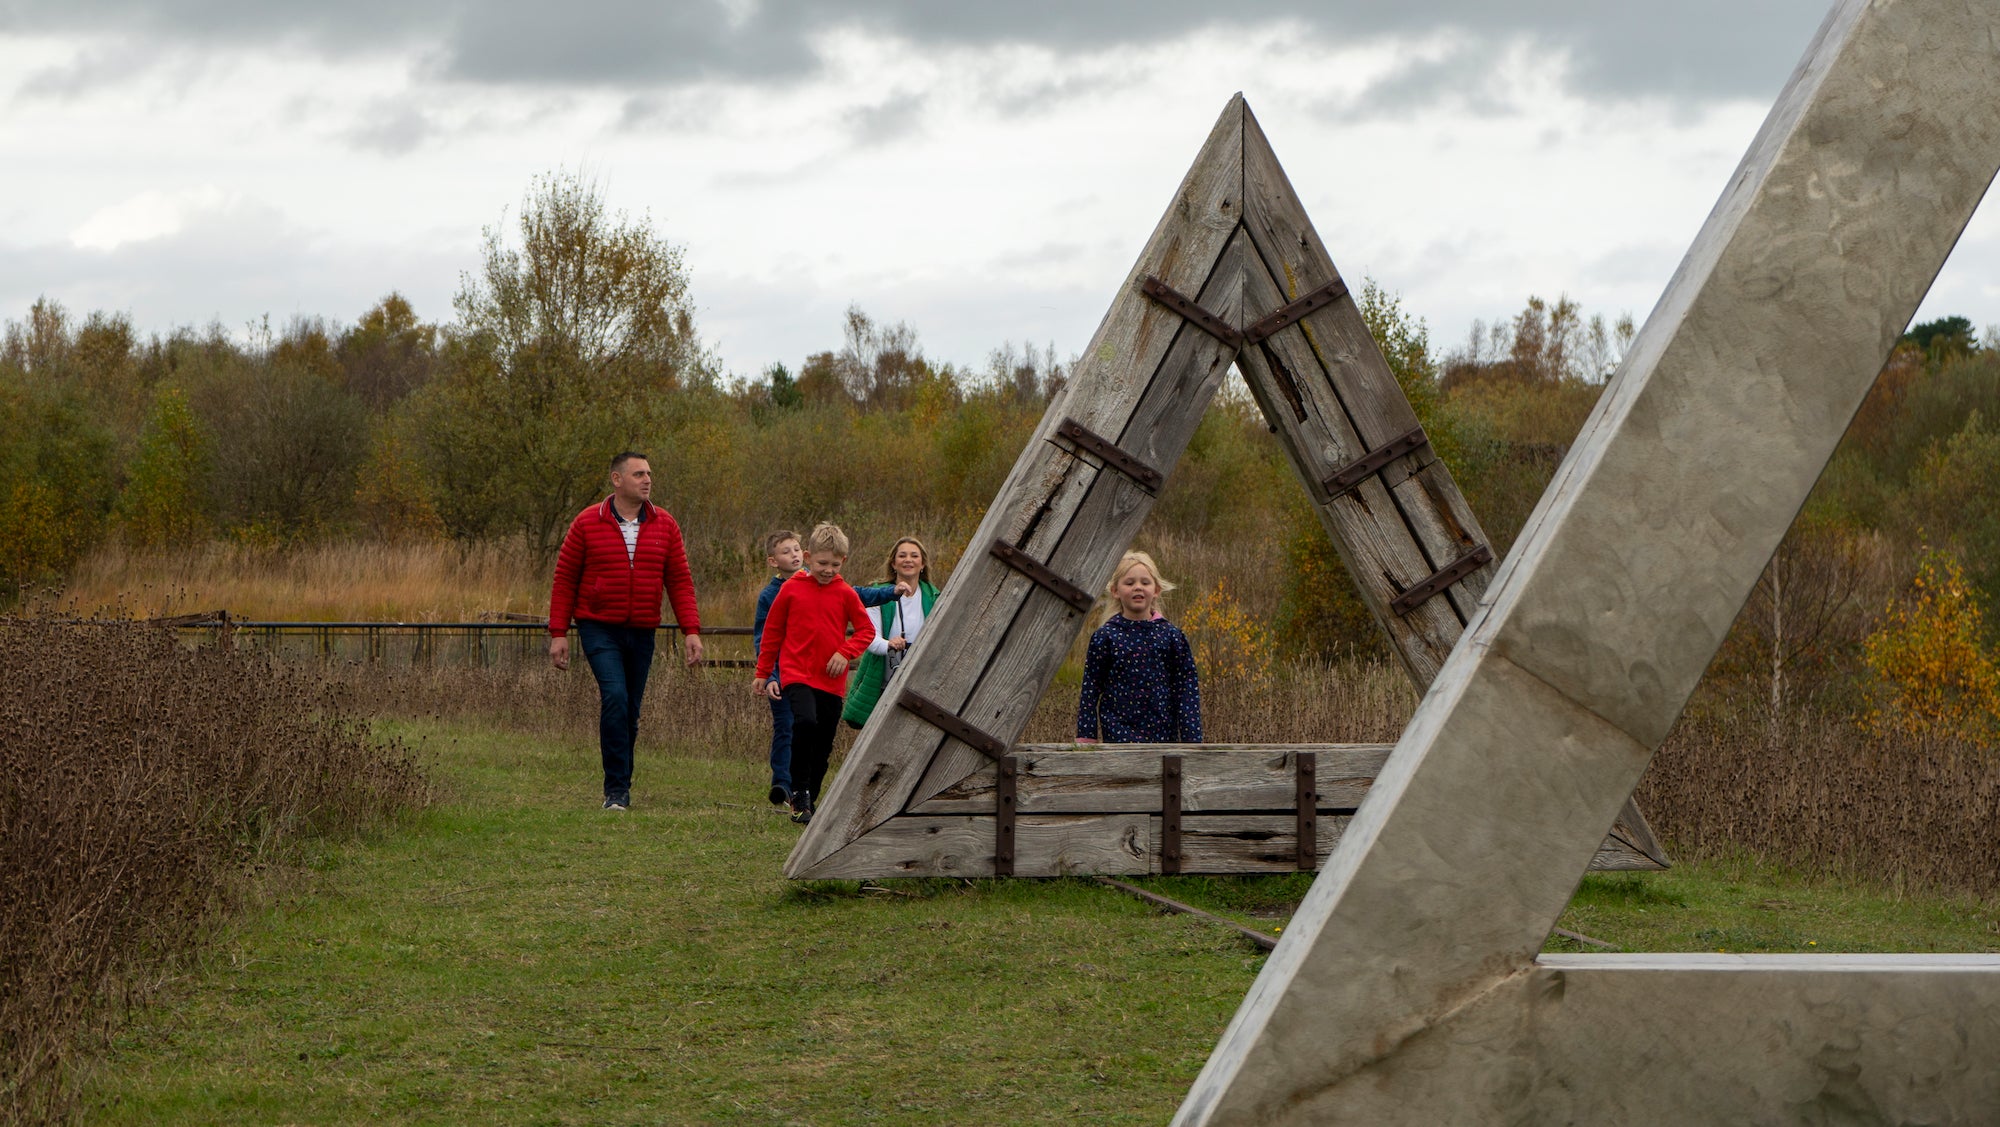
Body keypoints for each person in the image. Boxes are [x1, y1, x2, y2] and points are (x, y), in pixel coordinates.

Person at [547, 451, 704, 811]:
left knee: (630, 709)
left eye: (649, 473)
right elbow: (565, 580)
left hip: (643, 630)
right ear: (617, 480)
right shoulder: (587, 522)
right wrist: (559, 633)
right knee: (615, 698)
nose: (647, 479)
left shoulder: (665, 524)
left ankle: (623, 781)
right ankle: (615, 790)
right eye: (638, 474)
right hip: (598, 627)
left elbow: (680, 580)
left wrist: (690, 631)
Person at [752, 530, 910, 807]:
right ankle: (798, 790)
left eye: (835, 565)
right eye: (822, 564)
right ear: (809, 558)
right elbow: (772, 633)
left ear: (843, 561)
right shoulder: (790, 589)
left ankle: (811, 797)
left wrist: (844, 652)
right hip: (797, 673)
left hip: (830, 679)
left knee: (824, 741)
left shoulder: (845, 593)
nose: (828, 570)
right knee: (805, 721)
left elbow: (864, 631)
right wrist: (763, 674)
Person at [1076, 550, 1202, 745]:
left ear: (1156, 589)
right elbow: (1090, 689)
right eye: (1129, 583)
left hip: (1163, 738)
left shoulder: (1171, 637)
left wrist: (1191, 740)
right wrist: (1086, 739)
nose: (1138, 588)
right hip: (1119, 738)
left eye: (1145, 582)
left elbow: (1186, 690)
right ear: (1115, 591)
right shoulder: (1106, 637)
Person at [842, 537, 940, 730]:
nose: (908, 560)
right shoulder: (878, 594)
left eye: (914, 556)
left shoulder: (936, 597)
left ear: (923, 564)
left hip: (921, 681)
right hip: (883, 680)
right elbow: (870, 639)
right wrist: (889, 644)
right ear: (893, 564)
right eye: (902, 555)